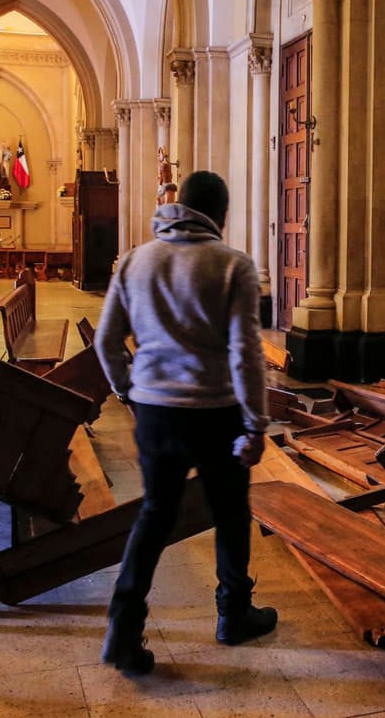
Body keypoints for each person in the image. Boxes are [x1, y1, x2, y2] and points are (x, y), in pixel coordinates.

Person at [94, 170, 275, 676]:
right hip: (216, 412)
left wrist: (128, 390)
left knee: (154, 515)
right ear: (221, 215)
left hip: (154, 410)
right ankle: (233, 614)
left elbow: (106, 342)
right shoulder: (233, 265)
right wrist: (256, 424)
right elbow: (245, 353)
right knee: (232, 512)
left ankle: (124, 628)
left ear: (179, 206)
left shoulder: (134, 261)